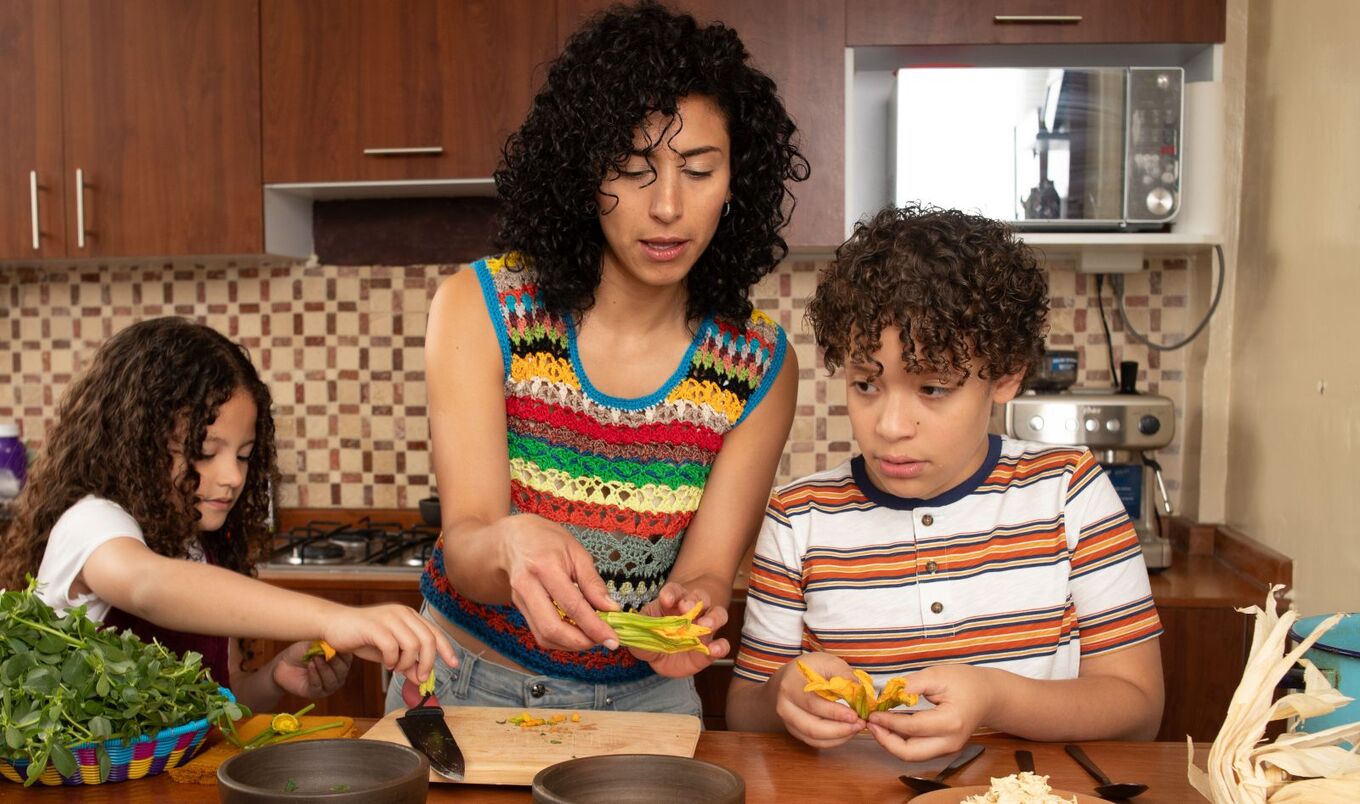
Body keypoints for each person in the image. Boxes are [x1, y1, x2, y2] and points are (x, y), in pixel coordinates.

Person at [388, 1, 805, 717]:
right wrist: (508, 544)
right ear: (583, 173)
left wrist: (690, 610)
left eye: (698, 171)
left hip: (648, 701)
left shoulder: (758, 364)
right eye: (633, 169)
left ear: (736, 181)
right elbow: (467, 545)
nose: (668, 206)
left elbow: (709, 570)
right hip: (465, 687)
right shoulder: (482, 308)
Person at [725, 205, 1164, 759]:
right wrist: (782, 698)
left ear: (1005, 375)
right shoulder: (799, 517)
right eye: (866, 385)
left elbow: (1140, 709)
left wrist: (995, 700)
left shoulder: (1068, 492)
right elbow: (744, 712)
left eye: (933, 389)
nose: (890, 426)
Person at [0, 317, 455, 713]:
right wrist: (336, 619)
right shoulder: (91, 523)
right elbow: (147, 585)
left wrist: (275, 677)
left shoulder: (199, 543)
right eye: (204, 452)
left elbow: (222, 702)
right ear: (135, 443)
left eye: (243, 455)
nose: (233, 477)